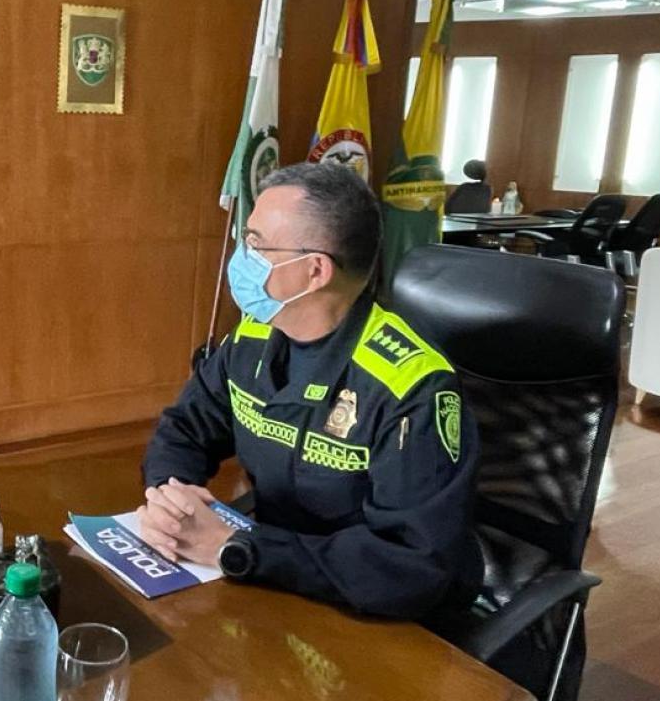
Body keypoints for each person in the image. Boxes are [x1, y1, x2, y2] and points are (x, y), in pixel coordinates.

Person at [137, 162, 482, 619]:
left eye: (256, 243)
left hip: (379, 614)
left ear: (315, 270)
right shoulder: (254, 334)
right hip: (284, 577)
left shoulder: (411, 387)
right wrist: (170, 498)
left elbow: (410, 565)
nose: (241, 256)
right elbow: (186, 426)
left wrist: (240, 547)